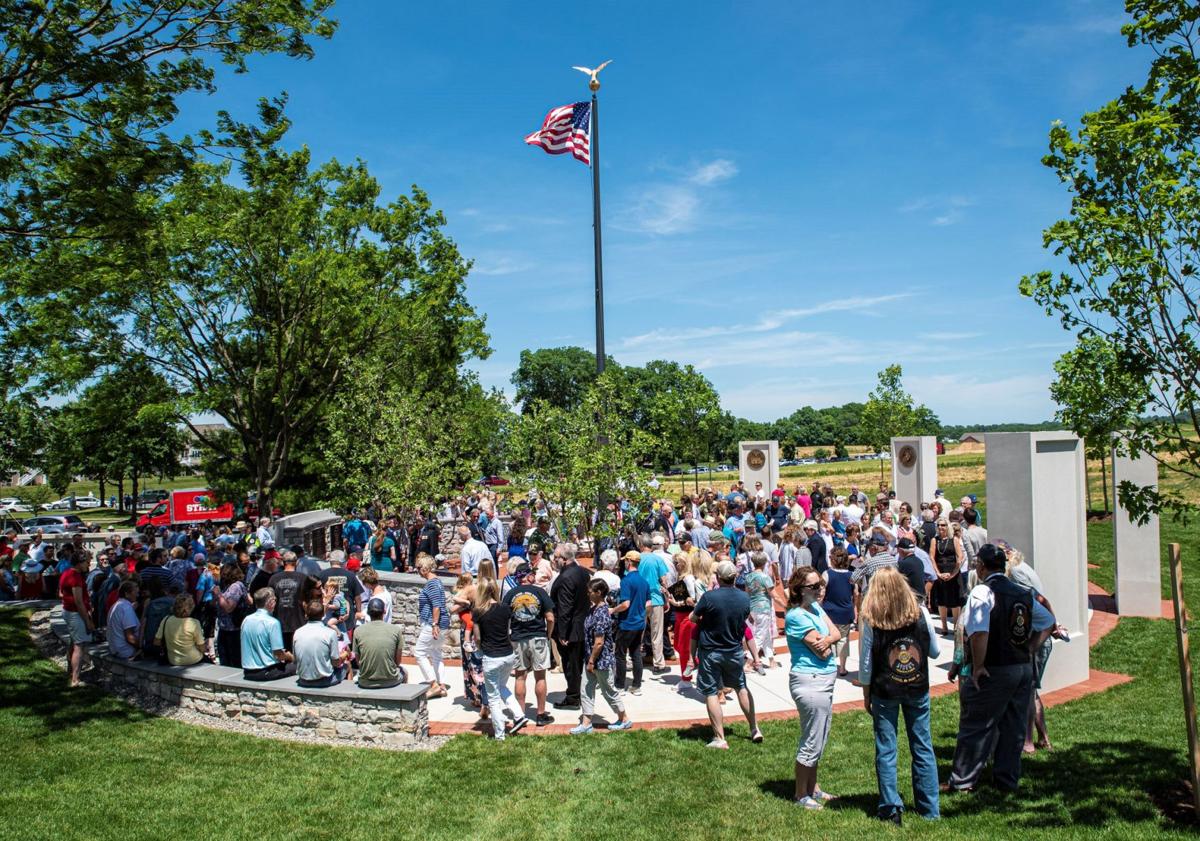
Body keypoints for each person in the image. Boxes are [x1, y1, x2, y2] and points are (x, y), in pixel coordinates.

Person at [945, 544, 1055, 793]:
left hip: (994, 667)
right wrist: (1029, 649)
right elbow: (1048, 622)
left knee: (976, 726)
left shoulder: (982, 593)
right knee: (1013, 727)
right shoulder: (1023, 593)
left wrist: (978, 666)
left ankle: (963, 781)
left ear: (981, 567)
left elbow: (980, 632)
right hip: (1021, 667)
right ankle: (1007, 780)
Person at [860, 567, 941, 824]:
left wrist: (866, 693)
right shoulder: (921, 614)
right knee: (923, 745)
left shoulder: (871, 619)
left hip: (885, 689)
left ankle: (890, 806)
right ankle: (930, 809)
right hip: (916, 686)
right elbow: (935, 652)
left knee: (886, 748)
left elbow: (865, 665)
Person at [785, 565, 841, 809]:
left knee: (821, 736)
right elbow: (822, 651)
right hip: (811, 681)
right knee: (811, 739)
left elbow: (836, 633)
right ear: (799, 589)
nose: (820, 589)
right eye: (814, 586)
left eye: (820, 584)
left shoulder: (815, 608)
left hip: (824, 680)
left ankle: (813, 788)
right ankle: (800, 795)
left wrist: (828, 639)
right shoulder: (796, 616)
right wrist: (829, 639)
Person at [690, 560, 762, 749]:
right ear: (735, 577)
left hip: (711, 651)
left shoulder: (709, 597)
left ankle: (720, 738)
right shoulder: (744, 598)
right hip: (734, 651)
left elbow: (693, 618)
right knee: (741, 687)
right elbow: (745, 620)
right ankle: (754, 728)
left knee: (711, 692)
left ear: (718, 577)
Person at [571, 579, 634, 734]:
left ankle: (624, 719)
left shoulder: (602, 613)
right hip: (590, 658)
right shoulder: (594, 610)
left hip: (601, 660)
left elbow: (599, 642)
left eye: (590, 591)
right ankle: (586, 724)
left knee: (608, 691)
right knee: (586, 689)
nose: (588, 594)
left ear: (599, 593)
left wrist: (592, 660)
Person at [472, 576, 529, 740]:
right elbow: (508, 630)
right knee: (502, 687)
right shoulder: (505, 608)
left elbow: (477, 638)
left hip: (492, 657)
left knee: (494, 698)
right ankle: (519, 715)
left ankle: (499, 734)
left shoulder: (478, 611)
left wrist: (478, 649)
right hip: (508, 654)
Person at [501, 562, 556, 725]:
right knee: (540, 677)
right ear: (528, 576)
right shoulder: (540, 592)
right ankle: (540, 715)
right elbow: (550, 618)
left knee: (520, 677)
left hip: (518, 638)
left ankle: (520, 715)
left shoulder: (510, 594)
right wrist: (548, 635)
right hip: (538, 636)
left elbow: (504, 619)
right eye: (532, 573)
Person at [550, 542, 591, 710]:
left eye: (556, 558)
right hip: (582, 625)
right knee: (576, 663)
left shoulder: (566, 577)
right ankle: (578, 693)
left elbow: (565, 608)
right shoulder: (583, 572)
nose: (554, 561)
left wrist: (563, 634)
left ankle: (573, 697)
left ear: (565, 559)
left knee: (571, 664)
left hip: (571, 629)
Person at [613, 550, 650, 695]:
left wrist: (613, 610)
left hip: (627, 623)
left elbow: (625, 604)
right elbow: (649, 602)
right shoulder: (643, 581)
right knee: (635, 653)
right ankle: (636, 686)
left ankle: (620, 685)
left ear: (629, 562)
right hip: (639, 623)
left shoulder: (626, 581)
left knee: (620, 654)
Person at [240, 588, 295, 681]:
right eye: (275, 600)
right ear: (270, 602)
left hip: (248, 672)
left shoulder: (246, 620)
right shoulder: (272, 623)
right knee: (298, 666)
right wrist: (290, 656)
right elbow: (279, 654)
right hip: (266, 671)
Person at [353, 598, 407, 689]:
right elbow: (398, 662)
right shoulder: (396, 630)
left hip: (365, 681)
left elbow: (358, 661)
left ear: (368, 613)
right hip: (391, 680)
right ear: (384, 611)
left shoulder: (358, 631)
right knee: (405, 672)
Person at [59, 551, 94, 687]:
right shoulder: (75, 576)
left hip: (68, 611)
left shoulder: (66, 573)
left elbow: (61, 593)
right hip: (75, 613)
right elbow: (78, 601)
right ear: (79, 563)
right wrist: (88, 621)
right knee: (79, 646)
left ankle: (70, 671)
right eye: (86, 562)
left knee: (74, 642)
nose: (88, 564)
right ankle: (75, 679)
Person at [294, 599, 347, 687]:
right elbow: (336, 662)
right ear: (323, 615)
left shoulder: (297, 632)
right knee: (346, 666)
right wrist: (344, 655)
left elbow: (295, 659)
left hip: (303, 679)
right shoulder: (330, 633)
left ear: (306, 615)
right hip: (324, 680)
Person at [638, 536, 671, 673]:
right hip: (656, 598)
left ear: (641, 545)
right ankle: (658, 663)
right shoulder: (658, 559)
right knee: (657, 633)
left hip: (640, 599)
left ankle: (633, 660)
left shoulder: (636, 558)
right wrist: (667, 599)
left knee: (637, 632)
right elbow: (664, 581)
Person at [822, 546, 856, 677]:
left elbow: (821, 592)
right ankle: (842, 668)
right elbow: (856, 593)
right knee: (843, 640)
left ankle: (829, 663)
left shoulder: (827, 574)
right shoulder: (851, 575)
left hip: (829, 613)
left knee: (829, 638)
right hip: (845, 612)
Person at [268, 551, 311, 651]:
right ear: (296, 563)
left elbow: (269, 600)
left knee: (282, 654)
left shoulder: (274, 578)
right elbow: (308, 600)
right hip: (299, 622)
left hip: (279, 622)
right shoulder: (303, 578)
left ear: (283, 563)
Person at [931, 518, 965, 636]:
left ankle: (956, 626)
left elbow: (960, 557)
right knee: (942, 601)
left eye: (943, 525)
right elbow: (932, 557)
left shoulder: (954, 539)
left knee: (955, 601)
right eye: (939, 525)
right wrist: (938, 573)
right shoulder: (934, 540)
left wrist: (954, 573)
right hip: (940, 572)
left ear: (947, 526)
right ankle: (944, 626)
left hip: (953, 573)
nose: (941, 527)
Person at [744, 551, 776, 673]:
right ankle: (748, 663)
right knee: (759, 636)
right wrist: (785, 605)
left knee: (765, 634)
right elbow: (773, 594)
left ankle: (771, 660)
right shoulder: (765, 577)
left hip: (753, 608)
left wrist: (748, 611)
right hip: (763, 609)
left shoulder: (748, 577)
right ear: (764, 563)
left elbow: (747, 594)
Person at [318, 550, 365, 633]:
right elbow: (357, 597)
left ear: (330, 561)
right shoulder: (351, 575)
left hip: (327, 616)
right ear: (343, 562)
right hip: (347, 616)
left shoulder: (321, 575)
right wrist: (358, 611)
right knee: (345, 642)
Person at [154, 594, 206, 666]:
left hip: (173, 660)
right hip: (194, 659)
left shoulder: (166, 619)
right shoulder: (194, 623)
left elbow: (156, 642)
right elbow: (202, 647)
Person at [215, 563, 250, 667]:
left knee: (234, 660)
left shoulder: (236, 586)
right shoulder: (226, 586)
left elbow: (229, 608)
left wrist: (218, 595)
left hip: (233, 629)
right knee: (224, 659)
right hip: (224, 627)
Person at [106, 580, 141, 660]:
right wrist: (142, 647)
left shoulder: (118, 605)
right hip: (125, 650)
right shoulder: (126, 608)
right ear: (127, 594)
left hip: (115, 648)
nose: (137, 595)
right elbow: (130, 637)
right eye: (135, 592)